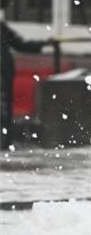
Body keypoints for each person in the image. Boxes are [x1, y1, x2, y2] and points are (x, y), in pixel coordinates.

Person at [1, 20, 49, 150]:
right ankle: (4, 141)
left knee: (5, 108)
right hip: (3, 73)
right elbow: (19, 44)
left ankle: (5, 141)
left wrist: (42, 43)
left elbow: (19, 44)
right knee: (3, 108)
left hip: (4, 74)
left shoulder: (2, 27)